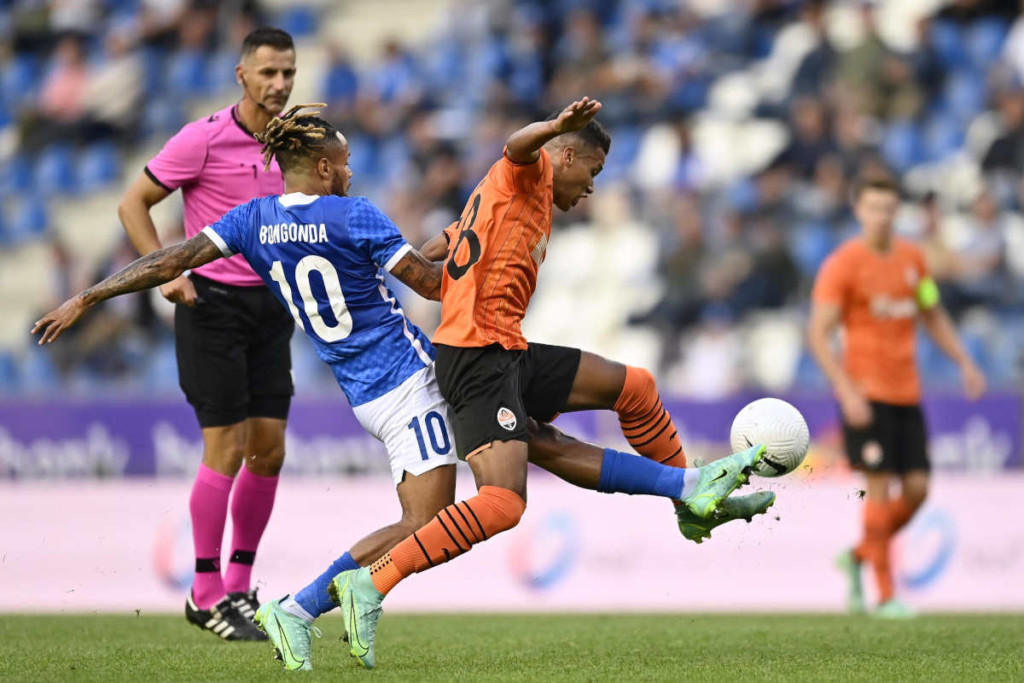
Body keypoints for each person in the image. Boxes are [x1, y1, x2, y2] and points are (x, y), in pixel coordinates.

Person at [34, 106, 771, 671]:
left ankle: (687, 488)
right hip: (413, 378)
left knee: (535, 442)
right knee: (457, 508)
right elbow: (426, 282)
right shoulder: (354, 214)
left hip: (370, 386)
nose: (351, 172)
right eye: (345, 163)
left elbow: (171, 256)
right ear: (322, 167)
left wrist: (87, 296)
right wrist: (469, 242)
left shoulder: (254, 219)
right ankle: (308, 602)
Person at [326, 98, 770, 668]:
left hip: (505, 347)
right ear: (564, 155)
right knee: (503, 502)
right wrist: (554, 126)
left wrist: (400, 263)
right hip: (475, 355)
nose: (592, 188)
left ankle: (691, 495)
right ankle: (373, 582)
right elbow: (516, 145)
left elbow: (452, 240)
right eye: (593, 172)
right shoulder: (528, 168)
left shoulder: (520, 198)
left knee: (632, 385)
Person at [115, 27, 298, 640]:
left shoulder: (294, 146)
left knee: (268, 449)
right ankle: (204, 590)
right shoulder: (203, 138)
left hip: (272, 310)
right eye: (268, 73)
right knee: (226, 446)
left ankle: (241, 588)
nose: (279, 85)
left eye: (287, 74)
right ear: (241, 76)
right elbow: (132, 203)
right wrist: (164, 273)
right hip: (210, 305)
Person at [807, 176, 986, 619]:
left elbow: (932, 313)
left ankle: (861, 554)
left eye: (889, 208)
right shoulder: (843, 264)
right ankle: (885, 596)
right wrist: (846, 391)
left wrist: (964, 361)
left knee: (919, 489)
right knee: (881, 487)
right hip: (866, 396)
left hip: (908, 393)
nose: (882, 217)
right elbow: (817, 333)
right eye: (873, 208)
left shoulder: (913, 261)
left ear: (897, 211)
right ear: (859, 211)